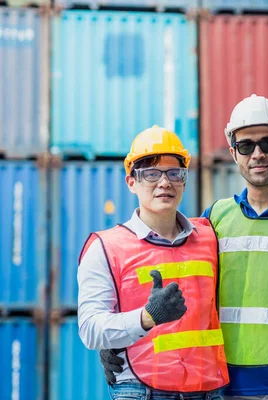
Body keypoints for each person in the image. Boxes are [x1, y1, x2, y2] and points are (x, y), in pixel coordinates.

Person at [102, 95, 268, 399]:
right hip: (229, 389)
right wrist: (122, 345)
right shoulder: (213, 220)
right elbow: (172, 301)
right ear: (233, 153)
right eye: (246, 146)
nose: (258, 154)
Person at [78, 125, 229, 400]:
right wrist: (145, 318)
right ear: (131, 182)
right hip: (140, 390)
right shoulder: (105, 247)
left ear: (184, 179)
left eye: (174, 173)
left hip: (208, 391)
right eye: (151, 174)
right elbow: (90, 328)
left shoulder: (210, 237)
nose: (164, 183)